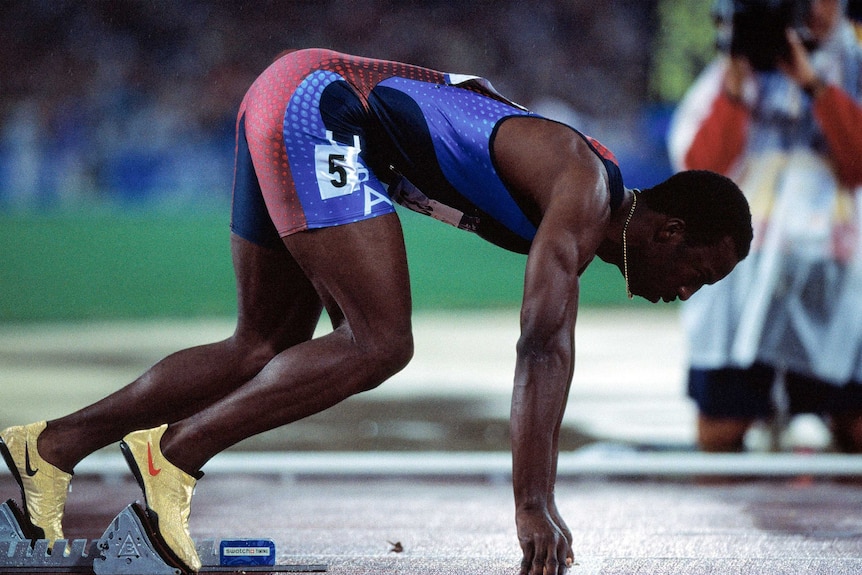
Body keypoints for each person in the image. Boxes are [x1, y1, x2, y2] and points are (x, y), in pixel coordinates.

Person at [1, 48, 752, 575]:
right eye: (699, 272)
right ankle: (174, 455)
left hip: (293, 94)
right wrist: (533, 501)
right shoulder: (586, 189)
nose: (689, 290)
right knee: (380, 341)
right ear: (669, 230)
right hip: (319, 107)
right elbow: (541, 345)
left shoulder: (583, 184)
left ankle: (52, 449)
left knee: (262, 343)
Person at [668, 0, 862, 453]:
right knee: (719, 432)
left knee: (856, 431)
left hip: (830, 274)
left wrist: (814, 86)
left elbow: (856, 165)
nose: (813, 8)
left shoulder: (852, 66)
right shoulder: (735, 70)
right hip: (745, 279)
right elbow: (700, 170)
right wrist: (735, 88)